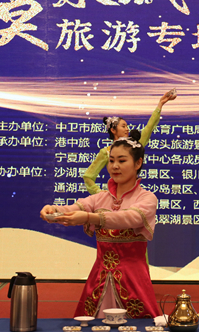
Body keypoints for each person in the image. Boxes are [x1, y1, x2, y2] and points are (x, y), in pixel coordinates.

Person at [40, 130, 160, 319]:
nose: (115, 166)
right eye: (111, 161)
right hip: (99, 277)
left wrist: (91, 218)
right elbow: (75, 207)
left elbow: (131, 218)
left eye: (122, 160)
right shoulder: (100, 198)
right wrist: (53, 210)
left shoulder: (147, 198)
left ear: (138, 163)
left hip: (134, 278)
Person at [83, 90, 176, 194]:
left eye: (127, 126)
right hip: (115, 196)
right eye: (123, 126)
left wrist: (160, 105)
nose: (127, 129)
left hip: (133, 194)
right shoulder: (106, 152)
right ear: (113, 130)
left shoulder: (134, 146)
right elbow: (88, 176)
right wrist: (100, 193)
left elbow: (149, 128)